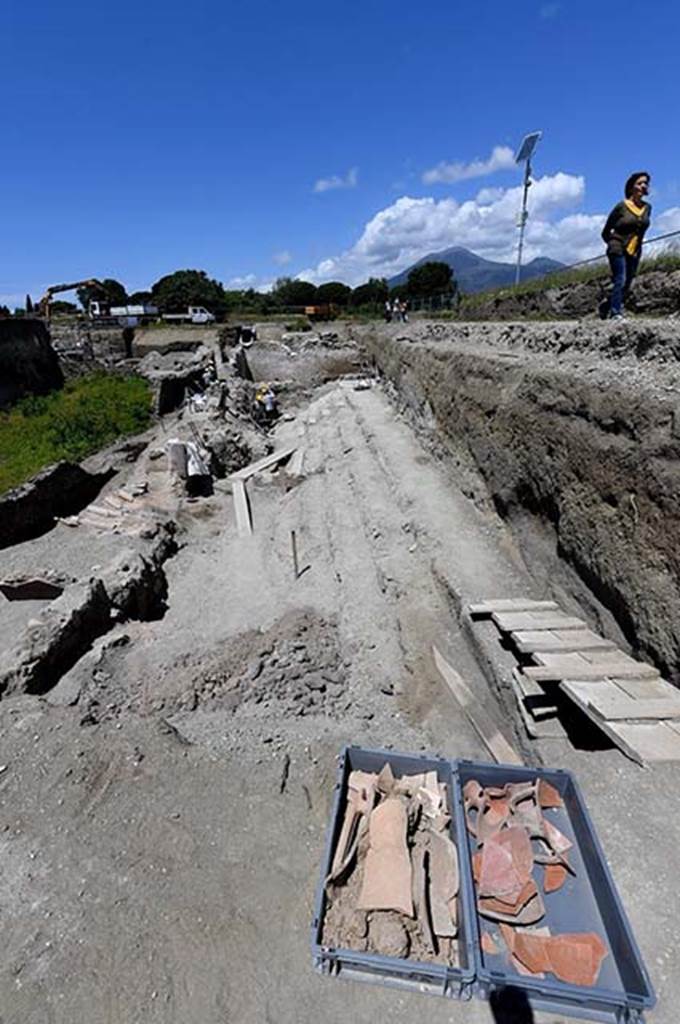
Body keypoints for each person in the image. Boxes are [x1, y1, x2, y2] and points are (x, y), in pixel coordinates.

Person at [601, 171, 651, 320]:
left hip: (635, 250)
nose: (643, 185)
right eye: (640, 183)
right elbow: (605, 231)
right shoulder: (621, 206)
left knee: (628, 281)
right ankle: (615, 313)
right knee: (620, 278)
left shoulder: (647, 208)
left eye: (646, 183)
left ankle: (610, 307)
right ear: (631, 188)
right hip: (617, 246)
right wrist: (613, 243)